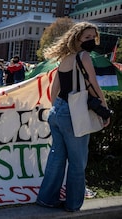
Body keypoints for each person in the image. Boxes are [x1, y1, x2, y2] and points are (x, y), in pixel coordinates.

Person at [36, 22, 110, 212]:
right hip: (73, 113)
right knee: (78, 162)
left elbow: (54, 89)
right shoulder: (84, 56)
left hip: (58, 111)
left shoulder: (64, 57)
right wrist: (104, 108)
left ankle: (47, 199)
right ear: (77, 38)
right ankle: (73, 204)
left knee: (57, 157)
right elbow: (93, 84)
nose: (91, 40)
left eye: (93, 37)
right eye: (87, 37)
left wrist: (57, 108)